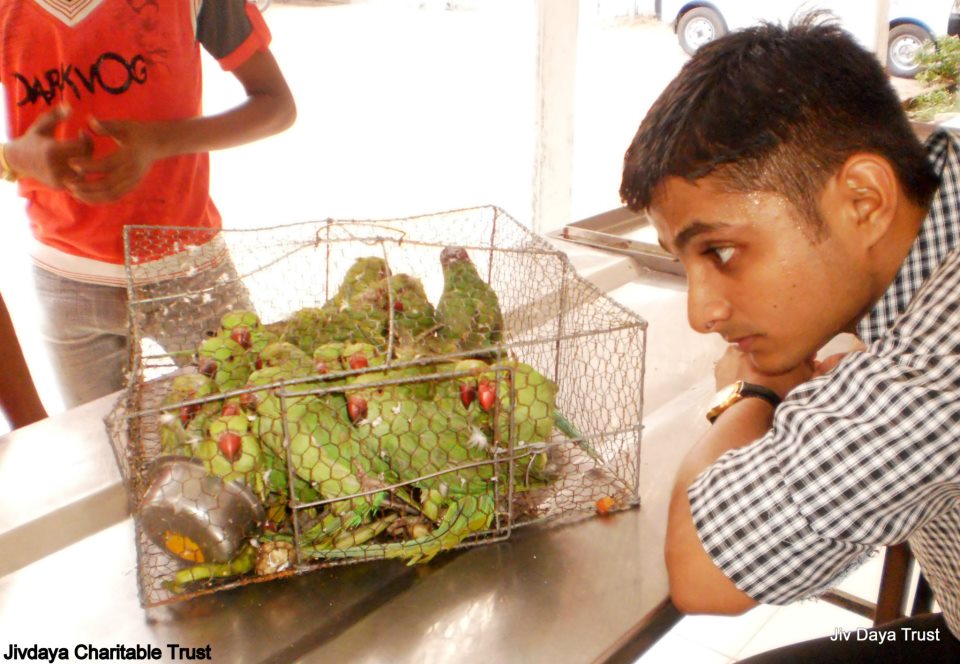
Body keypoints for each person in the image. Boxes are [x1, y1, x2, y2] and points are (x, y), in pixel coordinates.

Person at [620, 15, 960, 662]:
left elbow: (704, 571)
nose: (702, 313)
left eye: (719, 251)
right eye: (680, 261)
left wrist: (752, 391)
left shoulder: (944, 349)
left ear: (863, 200)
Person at [0, 0, 296, 408]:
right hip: (67, 283)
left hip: (192, 270)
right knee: (105, 457)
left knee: (252, 425)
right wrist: (14, 158)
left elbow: (276, 104)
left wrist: (159, 142)